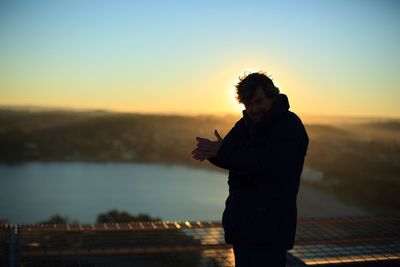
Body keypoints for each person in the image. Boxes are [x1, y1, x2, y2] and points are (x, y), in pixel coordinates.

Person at [191, 71, 309, 267]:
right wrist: (213, 152)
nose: (254, 109)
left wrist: (223, 150)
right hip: (242, 225)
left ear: (272, 96)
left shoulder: (289, 125)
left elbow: (266, 164)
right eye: (248, 104)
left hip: (270, 228)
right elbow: (233, 158)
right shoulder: (245, 123)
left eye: (258, 101)